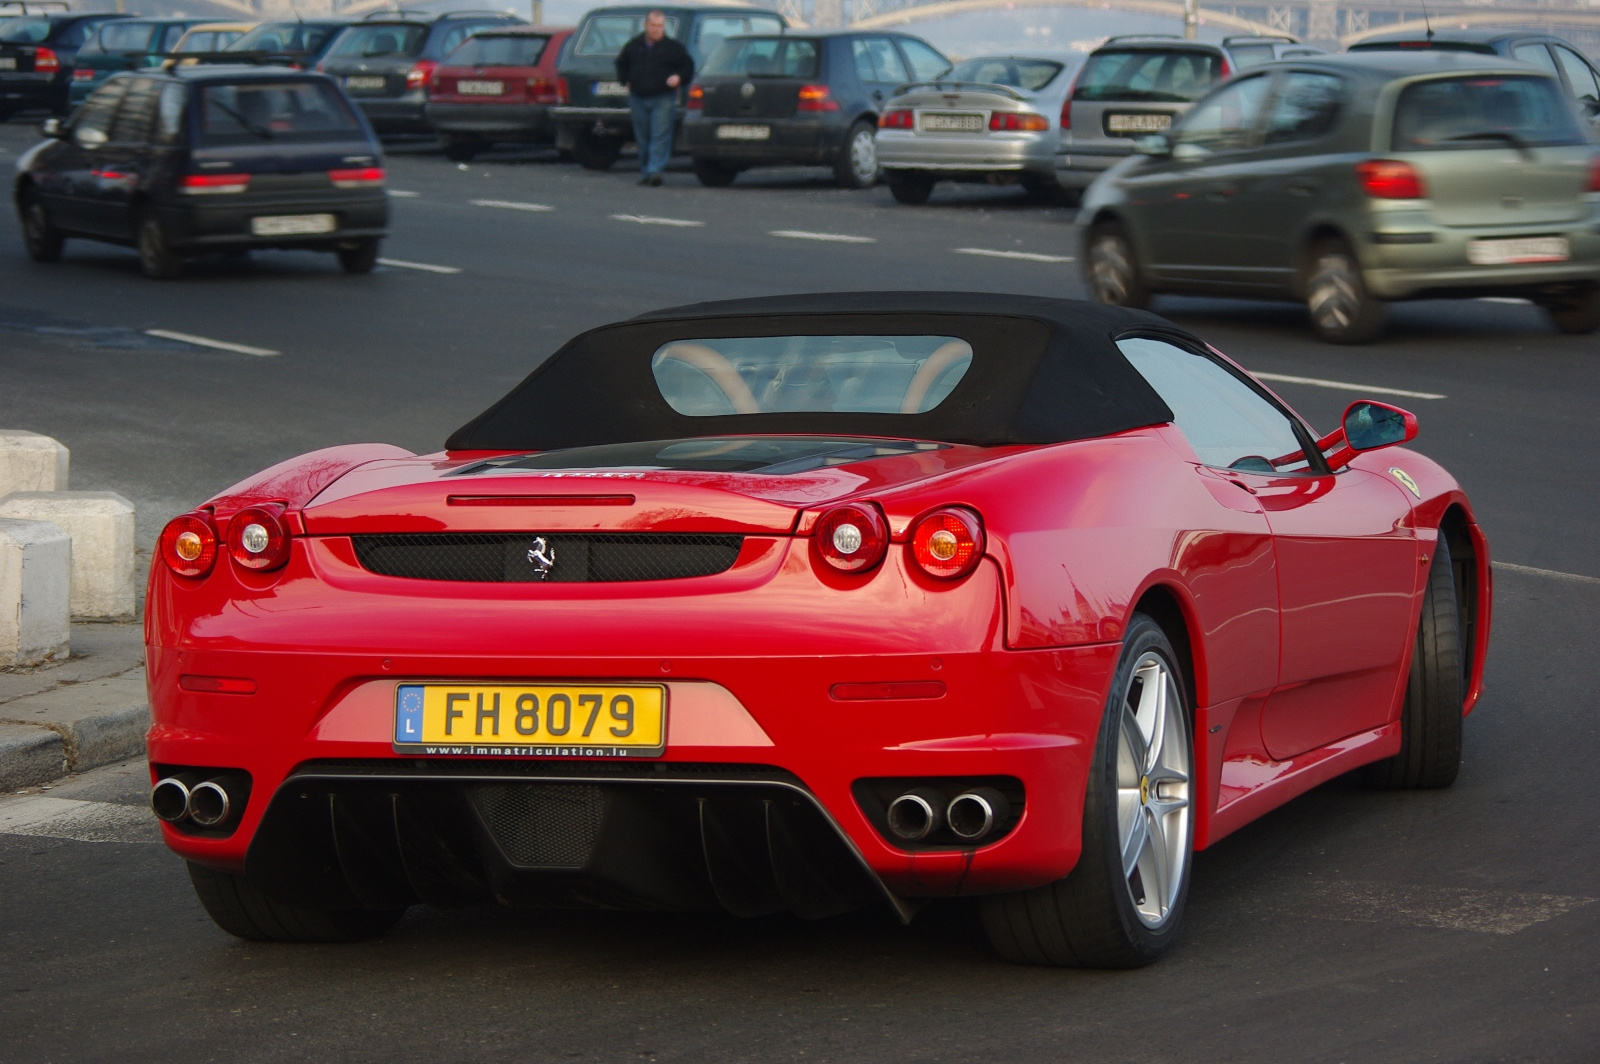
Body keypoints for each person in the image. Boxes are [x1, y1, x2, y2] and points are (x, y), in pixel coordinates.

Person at [615, 10, 694, 186]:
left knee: (660, 135)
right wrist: (625, 80)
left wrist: (678, 77)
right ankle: (645, 172)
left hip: (663, 97)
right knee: (643, 137)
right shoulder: (634, 46)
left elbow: (687, 66)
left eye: (660, 26)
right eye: (653, 26)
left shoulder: (673, 48)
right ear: (646, 25)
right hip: (638, 97)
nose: (657, 29)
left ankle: (655, 170)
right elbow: (621, 63)